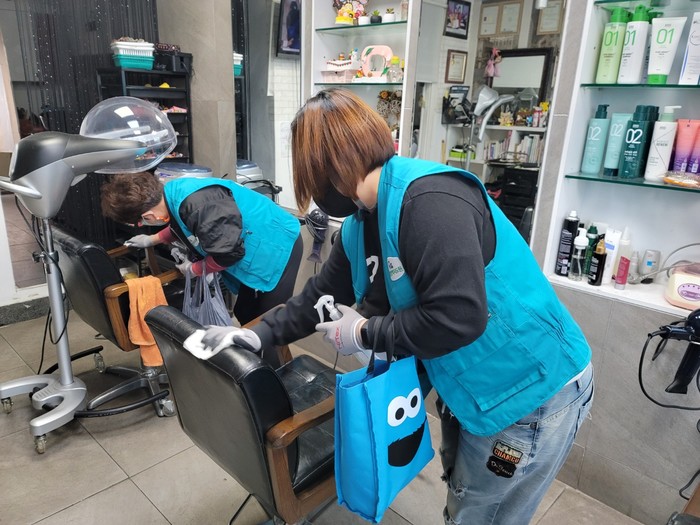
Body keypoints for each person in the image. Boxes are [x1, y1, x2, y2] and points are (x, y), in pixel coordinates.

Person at [202, 89, 593, 525]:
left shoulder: (431, 201)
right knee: (464, 494)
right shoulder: (360, 224)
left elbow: (459, 317)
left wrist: (363, 333)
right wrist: (255, 335)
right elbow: (319, 298)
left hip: (529, 389)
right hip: (467, 383)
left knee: (484, 513)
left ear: (325, 166)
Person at [100, 172, 303, 327]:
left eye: (140, 222)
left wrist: (195, 269)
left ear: (148, 217)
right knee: (244, 311)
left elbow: (228, 254)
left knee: (268, 323)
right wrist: (152, 239)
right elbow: (182, 224)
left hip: (277, 246)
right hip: (251, 245)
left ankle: (273, 368)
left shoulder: (198, 204)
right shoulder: (170, 194)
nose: (141, 225)